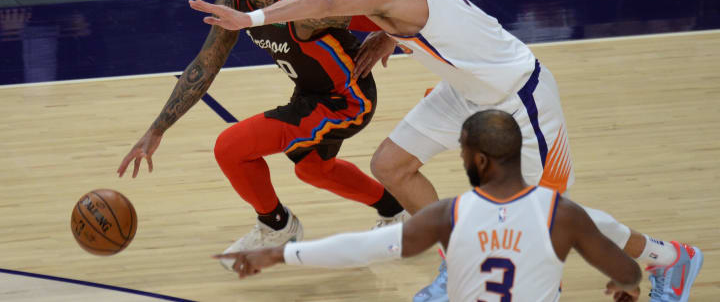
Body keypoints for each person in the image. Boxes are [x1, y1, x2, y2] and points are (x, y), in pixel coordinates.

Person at [187, 0, 703, 301]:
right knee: (391, 164)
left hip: (519, 97)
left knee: (544, 218)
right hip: (465, 92)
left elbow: (325, 4)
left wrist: (249, 21)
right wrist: (391, 39)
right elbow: (417, 17)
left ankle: (666, 258)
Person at [118, 0, 407, 270]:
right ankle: (395, 210)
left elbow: (396, 7)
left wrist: (389, 36)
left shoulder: (308, 3)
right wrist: (157, 129)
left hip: (345, 101)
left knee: (232, 146)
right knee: (314, 170)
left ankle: (276, 226)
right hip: (311, 96)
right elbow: (205, 66)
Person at [215, 110, 643, 302]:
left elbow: (361, 249)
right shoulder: (565, 215)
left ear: (475, 160)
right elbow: (627, 271)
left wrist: (280, 253)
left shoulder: (450, 216)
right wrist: (623, 283)